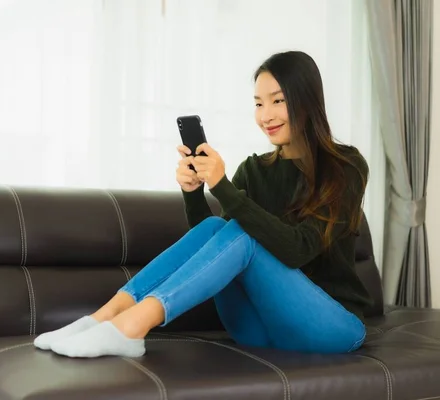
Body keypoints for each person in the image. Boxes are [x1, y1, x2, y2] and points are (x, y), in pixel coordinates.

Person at [34, 50, 373, 358]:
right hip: (260, 329)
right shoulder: (254, 170)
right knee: (217, 228)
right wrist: (195, 191)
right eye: (257, 103)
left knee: (239, 231)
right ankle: (103, 317)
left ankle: (132, 327)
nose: (265, 115)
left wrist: (223, 187)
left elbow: (299, 249)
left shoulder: (345, 166)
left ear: (306, 100)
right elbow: (214, 252)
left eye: (277, 101)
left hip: (330, 327)